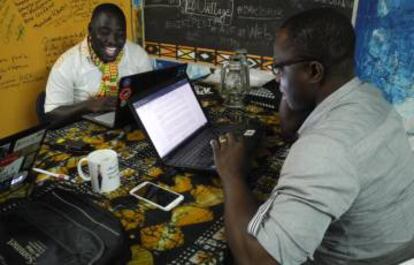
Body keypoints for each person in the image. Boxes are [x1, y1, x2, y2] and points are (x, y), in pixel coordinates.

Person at [211, 8, 414, 265]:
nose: (277, 80)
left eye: (280, 69)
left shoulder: (326, 148)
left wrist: (232, 174)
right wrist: (292, 96)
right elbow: (291, 129)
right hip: (395, 247)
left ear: (314, 71)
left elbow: (259, 260)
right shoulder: (368, 97)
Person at [44, 3, 152, 122]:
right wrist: (88, 105)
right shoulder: (66, 65)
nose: (112, 41)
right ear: (90, 30)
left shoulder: (138, 55)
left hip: (127, 125)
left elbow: (149, 98)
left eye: (120, 34)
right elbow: (51, 114)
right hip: (83, 132)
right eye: (104, 32)